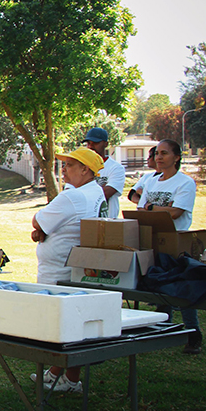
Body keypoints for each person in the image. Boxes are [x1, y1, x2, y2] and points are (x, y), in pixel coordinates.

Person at [30, 147, 106, 391]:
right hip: (78, 266)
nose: (64, 168)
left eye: (70, 164)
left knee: (59, 327)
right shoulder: (97, 193)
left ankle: (63, 376)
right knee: (74, 326)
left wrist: (40, 229)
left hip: (59, 271)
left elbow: (38, 221)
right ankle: (65, 377)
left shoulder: (73, 196)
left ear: (85, 169)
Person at [138, 139, 201, 354]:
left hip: (176, 242)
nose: (159, 157)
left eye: (164, 153)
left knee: (182, 289)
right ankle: (163, 330)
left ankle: (193, 334)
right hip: (151, 239)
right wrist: (158, 209)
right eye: (156, 153)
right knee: (158, 287)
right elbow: (140, 210)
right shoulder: (150, 182)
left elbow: (176, 212)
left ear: (176, 157)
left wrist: (153, 207)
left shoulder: (185, 182)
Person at [84, 127, 125, 218]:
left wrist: (83, 192)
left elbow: (106, 193)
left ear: (105, 144)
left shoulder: (116, 168)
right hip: (85, 221)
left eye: (96, 143)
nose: (91, 146)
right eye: (88, 143)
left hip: (108, 221)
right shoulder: (82, 167)